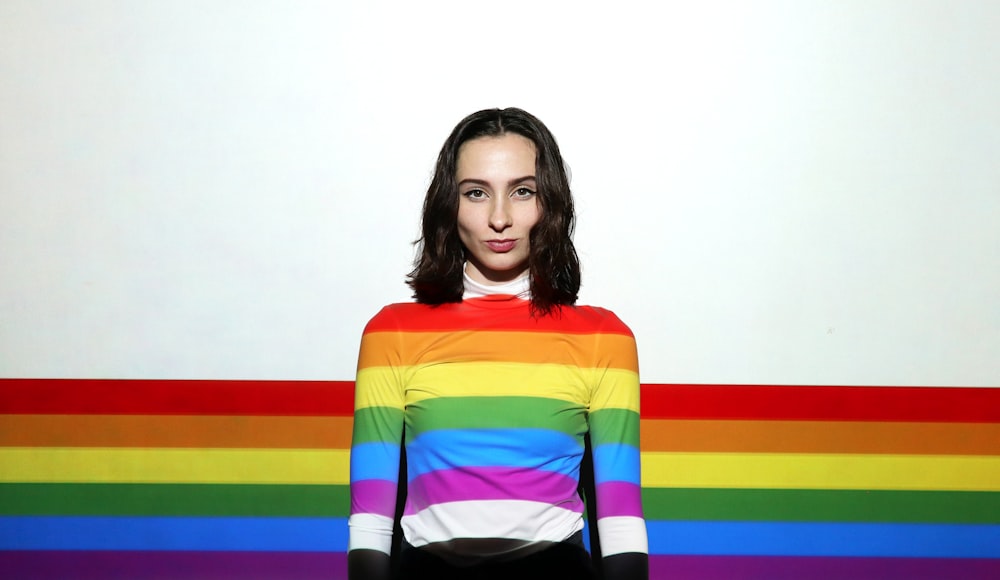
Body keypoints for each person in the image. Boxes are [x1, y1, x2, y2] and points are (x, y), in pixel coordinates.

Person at [348, 107, 648, 580]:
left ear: (550, 203)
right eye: (476, 193)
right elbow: (369, 522)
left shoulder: (603, 338)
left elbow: (621, 520)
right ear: (449, 204)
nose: (500, 218)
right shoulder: (393, 332)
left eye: (522, 191)